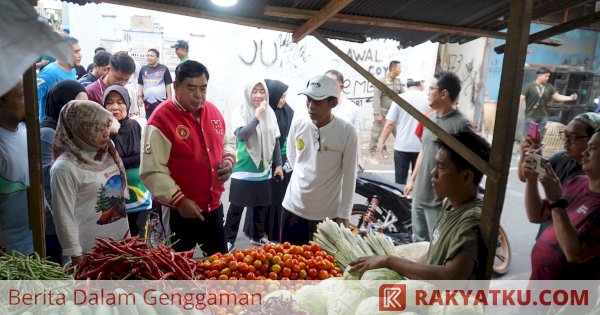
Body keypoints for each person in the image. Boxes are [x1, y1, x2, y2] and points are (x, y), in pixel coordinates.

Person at [350, 131, 491, 280]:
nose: (433, 173)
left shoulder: (471, 220)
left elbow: (450, 276)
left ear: (466, 177)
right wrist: (405, 274)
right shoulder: (450, 203)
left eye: (441, 167)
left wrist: (389, 261)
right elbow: (433, 253)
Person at [140, 60, 236, 255]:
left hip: (214, 208)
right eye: (191, 88)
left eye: (203, 88)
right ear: (176, 86)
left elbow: (229, 142)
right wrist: (180, 200)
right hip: (179, 212)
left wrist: (228, 160)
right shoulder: (161, 120)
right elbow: (152, 171)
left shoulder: (214, 111)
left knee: (220, 265)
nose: (198, 95)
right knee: (177, 270)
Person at [281, 75, 358, 245]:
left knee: (320, 268)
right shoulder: (298, 124)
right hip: (292, 209)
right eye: (308, 99)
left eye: (317, 101)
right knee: (288, 264)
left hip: (327, 216)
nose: (310, 105)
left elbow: (350, 174)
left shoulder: (347, 132)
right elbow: (293, 159)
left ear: (333, 103)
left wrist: (344, 214)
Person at [51, 100, 129, 265]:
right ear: (79, 130)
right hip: (89, 253)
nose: (105, 133)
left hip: (122, 245)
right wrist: (76, 255)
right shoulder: (64, 168)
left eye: (106, 126)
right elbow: (63, 216)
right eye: (98, 129)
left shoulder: (107, 149)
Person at [404, 71, 476, 242]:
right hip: (419, 196)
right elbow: (424, 150)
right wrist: (412, 180)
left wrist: (455, 197)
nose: (428, 92)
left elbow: (472, 165)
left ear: (444, 93)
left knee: (438, 246)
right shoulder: (429, 119)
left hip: (440, 201)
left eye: (431, 88)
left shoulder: (461, 125)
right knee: (418, 242)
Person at [523, 127, 600, 279]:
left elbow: (574, 254)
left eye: (593, 148)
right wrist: (531, 179)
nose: (585, 152)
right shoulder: (577, 181)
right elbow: (536, 215)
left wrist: (556, 201)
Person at [518, 113, 599, 239]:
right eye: (565, 135)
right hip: (548, 238)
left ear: (593, 140)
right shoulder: (563, 158)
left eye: (573, 137)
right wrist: (529, 153)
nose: (566, 142)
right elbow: (526, 175)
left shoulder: (592, 180)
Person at [224, 80, 283, 249]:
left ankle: (257, 237)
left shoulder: (270, 112)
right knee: (236, 207)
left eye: (261, 91)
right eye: (254, 91)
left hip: (263, 169)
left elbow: (276, 140)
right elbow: (242, 135)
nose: (258, 95)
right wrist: (257, 117)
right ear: (248, 93)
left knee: (261, 206)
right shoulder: (240, 111)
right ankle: (228, 240)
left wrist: (278, 165)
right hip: (243, 169)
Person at [41, 80, 88, 263]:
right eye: (77, 104)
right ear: (62, 105)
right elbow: (48, 182)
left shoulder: (70, 132)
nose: (82, 110)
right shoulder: (48, 133)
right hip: (54, 220)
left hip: (70, 216)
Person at [103, 86, 152, 237]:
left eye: (120, 102)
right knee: (118, 241)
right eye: (110, 102)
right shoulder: (100, 131)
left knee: (139, 239)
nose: (115, 107)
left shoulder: (136, 126)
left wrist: (123, 161)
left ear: (128, 104)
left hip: (140, 197)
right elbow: (105, 163)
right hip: (114, 199)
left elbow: (146, 156)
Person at [0, 80, 34, 255]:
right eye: (21, 96)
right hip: (11, 253)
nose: (28, 100)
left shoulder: (27, 131)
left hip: (35, 244)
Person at [379, 78, 429, 185]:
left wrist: (382, 141)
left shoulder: (400, 99)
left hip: (402, 146)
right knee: (418, 182)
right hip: (421, 147)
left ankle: (400, 200)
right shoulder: (428, 99)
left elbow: (390, 124)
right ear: (420, 83)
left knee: (400, 183)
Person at [261, 79, 294, 242]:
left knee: (278, 201)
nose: (283, 100)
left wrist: (284, 162)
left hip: (282, 162)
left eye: (285, 97)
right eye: (280, 97)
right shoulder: (264, 112)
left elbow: (289, 139)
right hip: (266, 161)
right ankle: (262, 232)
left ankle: (275, 234)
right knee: (265, 201)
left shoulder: (289, 112)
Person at [520, 67, 577, 138]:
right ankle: (526, 149)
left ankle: (537, 149)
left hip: (543, 117)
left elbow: (557, 97)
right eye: (546, 76)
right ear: (539, 75)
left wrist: (570, 98)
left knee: (539, 138)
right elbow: (521, 98)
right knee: (528, 138)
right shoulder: (529, 86)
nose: (547, 78)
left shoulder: (549, 87)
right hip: (531, 117)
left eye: (548, 76)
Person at [326, 69, 364, 171]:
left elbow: (357, 135)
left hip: (346, 159)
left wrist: (359, 158)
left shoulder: (352, 108)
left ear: (341, 87)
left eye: (331, 83)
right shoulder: (319, 107)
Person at [37, 35, 82, 121]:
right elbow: (30, 100)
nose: (80, 55)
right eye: (76, 52)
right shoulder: (49, 73)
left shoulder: (73, 71)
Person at [369, 60, 403, 154]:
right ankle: (372, 152)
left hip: (394, 113)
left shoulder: (398, 82)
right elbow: (376, 97)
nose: (401, 70)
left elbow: (403, 96)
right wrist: (377, 113)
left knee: (400, 133)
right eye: (399, 68)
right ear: (393, 69)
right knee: (376, 133)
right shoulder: (382, 81)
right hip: (383, 112)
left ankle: (401, 151)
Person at [137, 48, 173, 119]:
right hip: (148, 102)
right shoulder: (143, 69)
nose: (149, 57)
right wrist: (139, 97)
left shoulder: (164, 69)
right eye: (148, 55)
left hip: (161, 101)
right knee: (150, 121)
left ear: (157, 58)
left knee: (161, 120)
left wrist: (169, 98)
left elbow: (168, 84)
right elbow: (140, 84)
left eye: (151, 56)